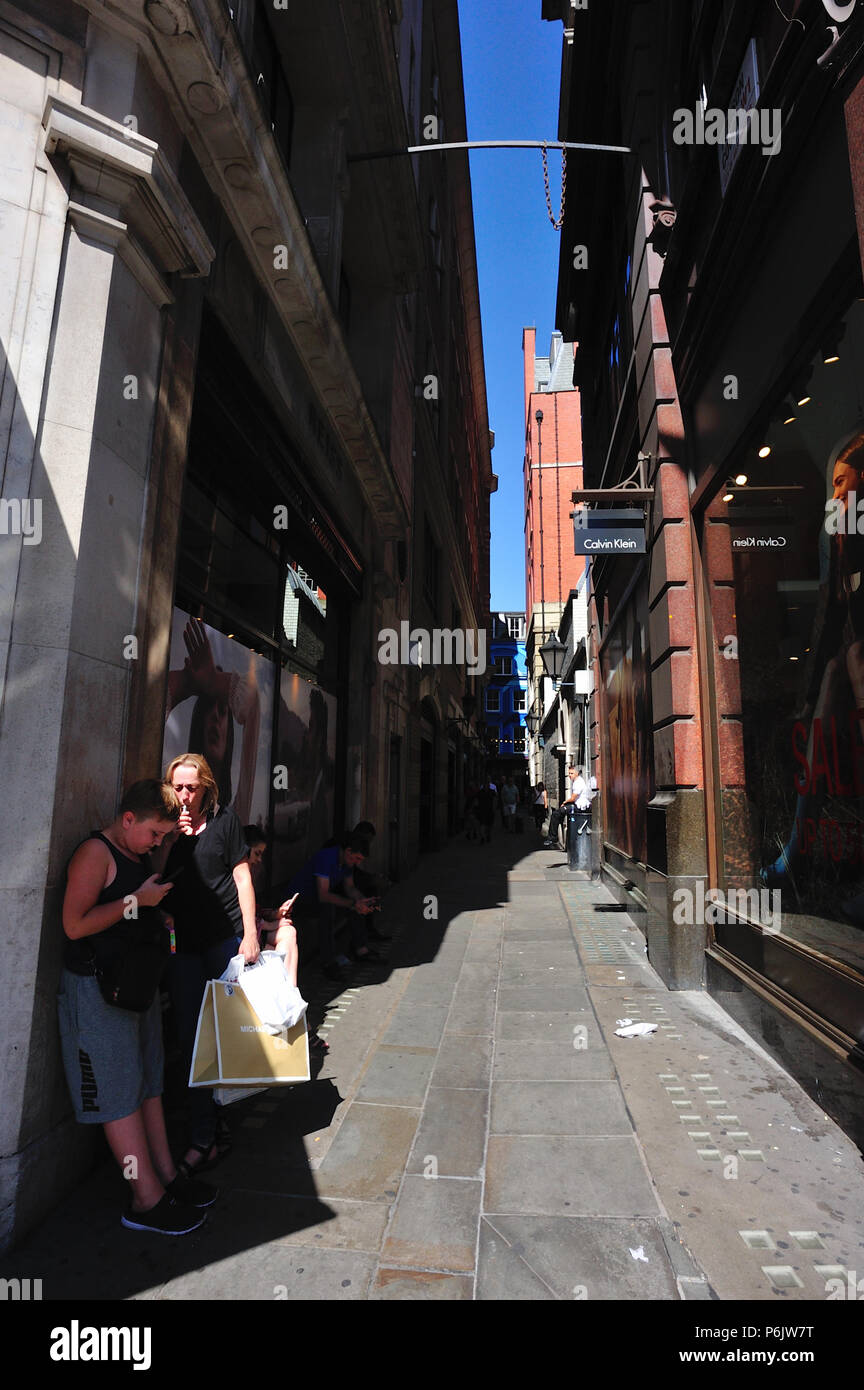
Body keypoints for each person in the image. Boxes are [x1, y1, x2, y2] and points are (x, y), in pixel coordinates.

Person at [59, 779, 215, 1235]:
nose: (158, 841)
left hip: (135, 985)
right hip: (97, 990)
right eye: (154, 834)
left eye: (164, 836)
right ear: (128, 819)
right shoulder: (95, 853)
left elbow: (134, 902)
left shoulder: (136, 853)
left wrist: (152, 907)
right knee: (117, 1093)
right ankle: (144, 1200)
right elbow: (73, 926)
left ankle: (165, 1178)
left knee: (148, 1082)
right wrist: (136, 902)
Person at [157, 753, 261, 1179]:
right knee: (190, 1036)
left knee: (225, 1033)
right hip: (183, 947)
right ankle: (202, 1136)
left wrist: (252, 934)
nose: (184, 796)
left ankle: (221, 1116)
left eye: (192, 788)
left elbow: (241, 877)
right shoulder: (166, 825)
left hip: (223, 940)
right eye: (178, 787)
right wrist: (169, 840)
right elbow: (154, 880)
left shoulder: (225, 821)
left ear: (207, 787)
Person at [166, 618, 261, 826]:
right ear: (200, 721)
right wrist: (187, 682)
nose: (216, 717)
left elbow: (253, 704)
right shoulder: (169, 814)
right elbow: (151, 699)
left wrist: (212, 681)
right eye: (209, 708)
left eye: (223, 711)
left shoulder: (234, 815)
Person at [287, 832, 378, 982]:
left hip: (317, 899)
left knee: (352, 906)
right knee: (328, 910)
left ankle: (360, 949)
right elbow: (323, 894)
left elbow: (350, 888)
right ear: (348, 851)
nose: (357, 863)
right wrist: (353, 903)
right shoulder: (327, 857)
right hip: (298, 900)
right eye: (356, 858)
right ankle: (329, 963)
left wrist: (362, 901)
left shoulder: (348, 862)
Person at [543, 765, 596, 847]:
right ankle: (555, 836)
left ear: (577, 773)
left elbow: (573, 798)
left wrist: (565, 802)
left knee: (556, 814)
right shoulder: (576, 781)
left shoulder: (578, 782)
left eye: (571, 773)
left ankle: (553, 838)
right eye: (569, 773)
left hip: (580, 807)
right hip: (577, 805)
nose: (569, 775)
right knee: (560, 813)